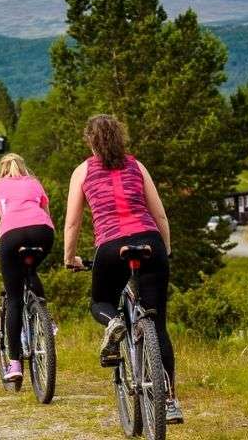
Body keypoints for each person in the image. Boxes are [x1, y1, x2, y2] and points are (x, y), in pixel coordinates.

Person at [62, 114, 183, 424]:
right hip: (150, 243)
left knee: (99, 302)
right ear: (120, 137)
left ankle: (114, 322)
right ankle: (169, 401)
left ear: (90, 141)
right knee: (156, 323)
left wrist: (69, 257)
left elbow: (73, 221)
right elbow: (161, 215)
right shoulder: (136, 165)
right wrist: (164, 251)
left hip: (111, 247)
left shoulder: (83, 171)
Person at [0, 153, 56, 383]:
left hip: (12, 236)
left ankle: (15, 364)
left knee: (15, 297)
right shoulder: (34, 183)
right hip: (43, 233)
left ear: (2, 169)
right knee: (30, 270)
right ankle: (47, 319)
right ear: (23, 167)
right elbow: (47, 215)